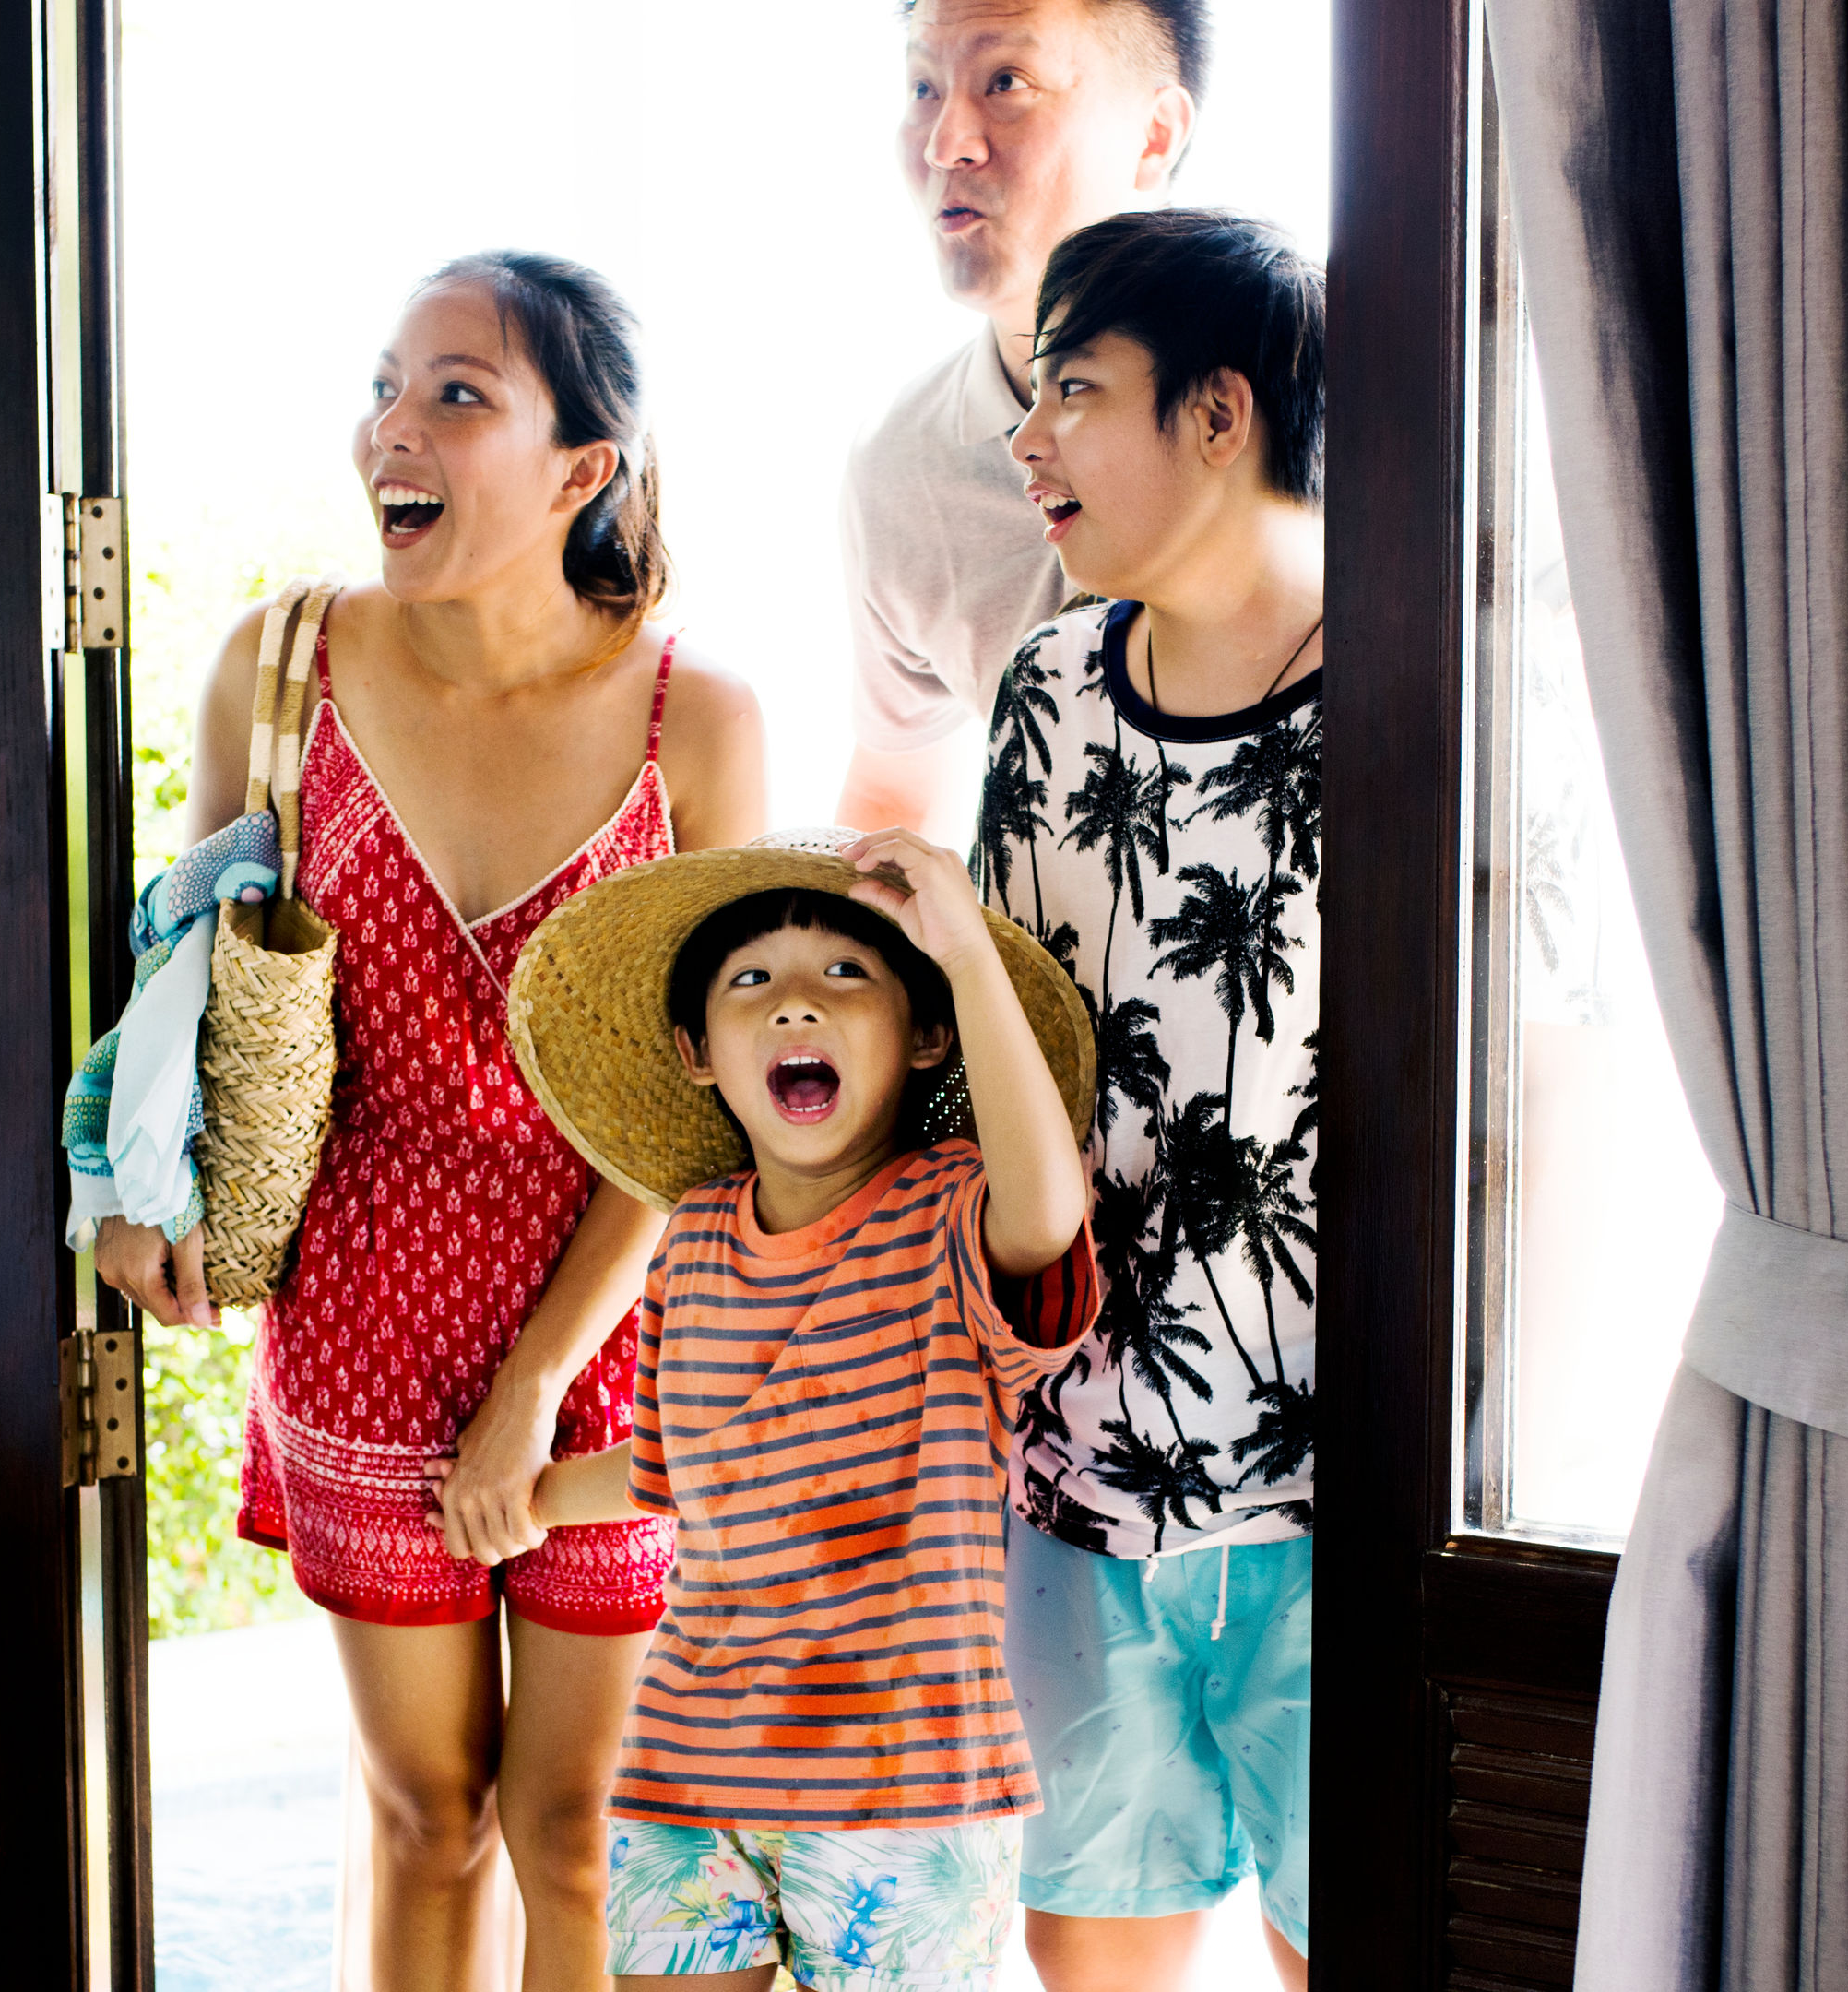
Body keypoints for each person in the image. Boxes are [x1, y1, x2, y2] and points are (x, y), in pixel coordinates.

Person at [94, 252, 768, 1989]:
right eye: (387, 387)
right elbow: (183, 978)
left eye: (457, 392)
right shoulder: (282, 663)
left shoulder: (699, 717)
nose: (392, 427)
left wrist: (539, 1383)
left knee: (579, 1834)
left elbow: (712, 1117)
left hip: (618, 1338)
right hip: (361, 1327)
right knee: (427, 1816)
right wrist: (134, 1193)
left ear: (580, 467)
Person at [482, 827, 1100, 1992]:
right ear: (698, 1051)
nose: (794, 1007)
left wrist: (965, 956)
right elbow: (678, 1467)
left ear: (925, 1039)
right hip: (686, 1769)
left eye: (845, 977)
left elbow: (1049, 1214)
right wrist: (524, 1496)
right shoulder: (695, 1237)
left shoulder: (953, 1212)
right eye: (751, 983)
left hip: (901, 1788)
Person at [977, 208, 1324, 1990]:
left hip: (1342, 1479)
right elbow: (999, 1066)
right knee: (1087, 1952)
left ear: (1220, 415)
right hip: (1076, 1477)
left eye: (1074, 391)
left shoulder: (1422, 691)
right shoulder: (1045, 693)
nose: (1028, 438)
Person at [837, 0, 1204, 840]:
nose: (945, 145)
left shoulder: (1339, 395)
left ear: (1153, 136)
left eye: (1006, 81)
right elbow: (896, 801)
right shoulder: (903, 467)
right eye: (924, 88)